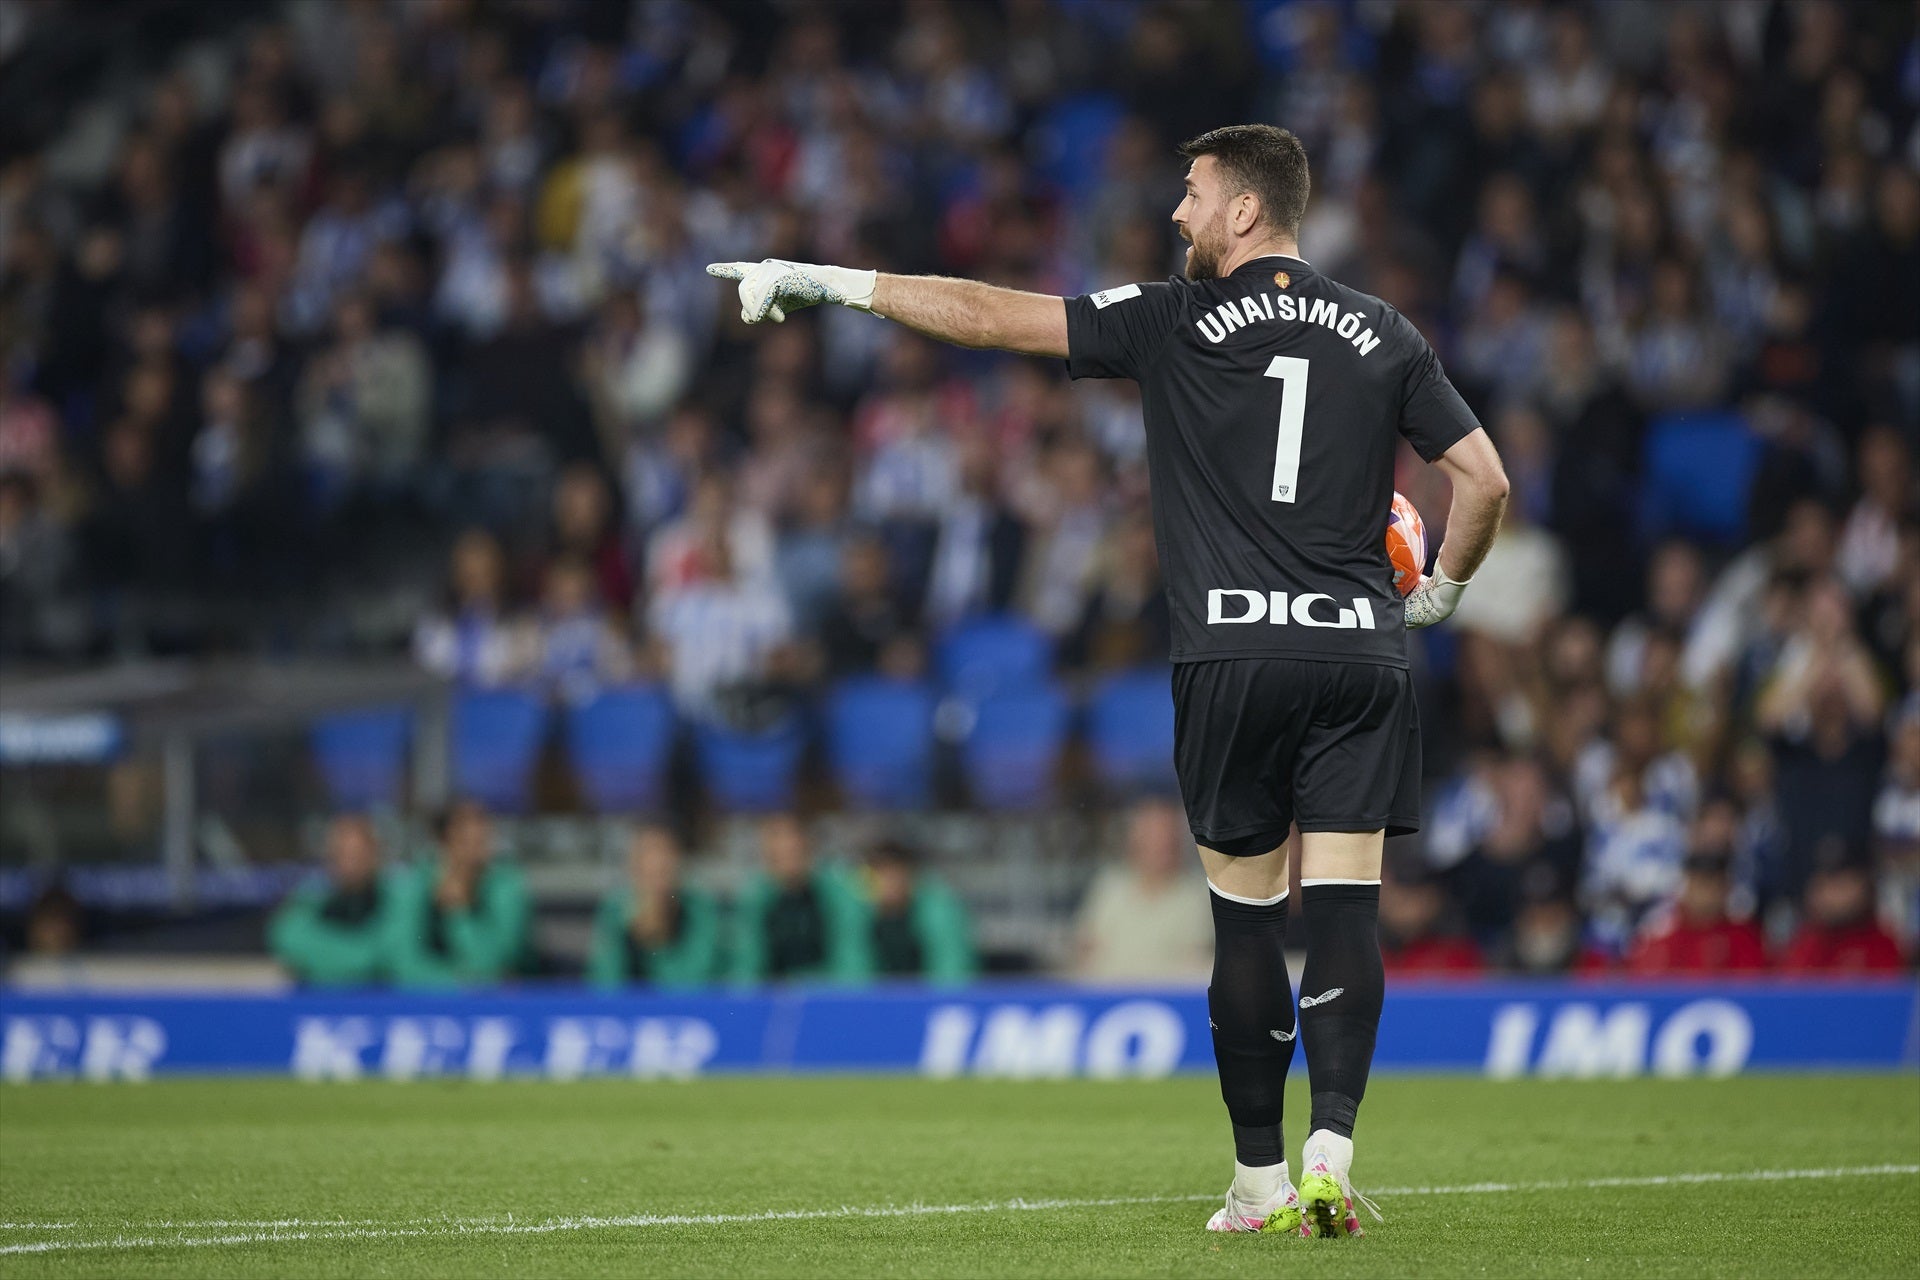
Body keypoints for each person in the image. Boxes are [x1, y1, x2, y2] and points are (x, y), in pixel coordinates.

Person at [712, 121, 1509, 1237]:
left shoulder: (1176, 317)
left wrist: (828, 280)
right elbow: (1482, 478)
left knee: (1242, 926)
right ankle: (1333, 1142)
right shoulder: (1384, 332)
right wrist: (1441, 594)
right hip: (1356, 651)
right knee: (1344, 911)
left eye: (1192, 194)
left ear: (1242, 209)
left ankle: (1257, 1182)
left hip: (1232, 655)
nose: (1177, 213)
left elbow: (993, 314)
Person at [386, 799, 531, 989]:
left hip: (487, 1002)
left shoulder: (505, 886)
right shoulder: (416, 884)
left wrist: (460, 913)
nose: (474, 851)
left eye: (482, 841)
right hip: (425, 1000)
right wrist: (455, 984)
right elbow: (402, 963)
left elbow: (494, 963)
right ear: (443, 841)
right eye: (464, 841)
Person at [1071, 798, 1214, 983]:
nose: (1159, 845)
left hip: (1170, 997)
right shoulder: (1109, 887)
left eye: (1166, 837)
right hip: (1108, 994)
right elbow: (1084, 949)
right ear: (1135, 840)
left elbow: (1197, 962)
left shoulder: (1196, 895)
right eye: (1151, 836)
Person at [729, 813, 873, 984]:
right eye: (778, 856)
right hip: (770, 996)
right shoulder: (754, 900)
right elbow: (746, 965)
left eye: (794, 852)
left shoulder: (838, 894)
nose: (788, 861)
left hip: (827, 993)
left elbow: (852, 957)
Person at [587, 826, 724, 988]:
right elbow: (603, 985)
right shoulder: (616, 911)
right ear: (634, 871)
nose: (658, 886)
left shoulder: (700, 908)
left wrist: (661, 934)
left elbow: (695, 980)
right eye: (650, 875)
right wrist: (629, 937)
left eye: (664, 872)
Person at [269, 813, 392, 986]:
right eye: (342, 854)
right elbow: (287, 940)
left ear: (375, 855)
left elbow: (396, 951)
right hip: (317, 1003)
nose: (350, 864)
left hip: (380, 1003)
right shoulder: (311, 900)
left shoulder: (395, 901)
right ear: (329, 858)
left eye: (358, 855)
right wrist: (365, 958)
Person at [1622, 850, 1768, 977]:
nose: (1707, 895)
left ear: (1726, 889)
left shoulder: (1744, 938)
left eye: (1714, 886)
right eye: (1700, 885)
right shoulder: (1660, 936)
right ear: (1687, 887)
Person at [1777, 844, 1907, 975]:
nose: (1831, 894)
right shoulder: (1805, 944)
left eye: (1842, 883)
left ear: (1864, 886)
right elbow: (1789, 987)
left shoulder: (1882, 944)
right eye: (1825, 884)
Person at [864, 839, 977, 984]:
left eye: (894, 875)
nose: (887, 884)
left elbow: (952, 974)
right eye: (879, 875)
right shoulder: (860, 915)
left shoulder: (937, 911)